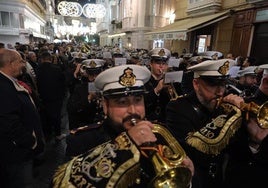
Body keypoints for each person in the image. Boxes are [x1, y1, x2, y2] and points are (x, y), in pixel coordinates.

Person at [52, 65, 194, 187]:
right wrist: (125, 144)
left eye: (138, 100)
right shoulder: (82, 141)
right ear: (105, 106)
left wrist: (186, 178)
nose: (133, 111)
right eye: (122, 102)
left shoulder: (159, 133)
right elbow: (63, 183)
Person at [165, 59, 245, 188]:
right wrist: (227, 117)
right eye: (213, 85)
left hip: (220, 178)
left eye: (223, 85)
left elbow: (236, 149)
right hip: (195, 179)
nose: (220, 92)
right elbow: (193, 151)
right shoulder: (177, 107)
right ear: (196, 84)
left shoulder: (224, 107)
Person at [0, 48, 45, 187]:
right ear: (11, 63)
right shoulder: (3, 87)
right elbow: (9, 122)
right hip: (17, 155)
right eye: (20, 61)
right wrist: (31, 142)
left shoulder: (8, 82)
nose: (23, 64)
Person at [224, 64, 268, 188]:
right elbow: (229, 149)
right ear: (266, 82)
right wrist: (254, 144)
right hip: (247, 178)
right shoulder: (244, 107)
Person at [144, 48, 182, 123]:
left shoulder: (170, 81)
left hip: (167, 121)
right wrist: (156, 90)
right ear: (151, 64)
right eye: (158, 63)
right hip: (150, 121)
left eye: (164, 63)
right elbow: (143, 103)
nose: (161, 66)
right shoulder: (144, 80)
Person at [36, 51, 66, 141]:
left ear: (42, 59)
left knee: (45, 116)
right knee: (56, 115)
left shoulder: (38, 69)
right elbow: (62, 83)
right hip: (56, 96)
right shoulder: (57, 69)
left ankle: (47, 134)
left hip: (43, 97)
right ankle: (57, 134)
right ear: (50, 59)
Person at [67, 59, 104, 130]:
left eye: (97, 74)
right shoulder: (80, 88)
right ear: (87, 73)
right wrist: (88, 98)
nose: (94, 77)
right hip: (86, 125)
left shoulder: (105, 87)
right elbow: (71, 108)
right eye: (91, 74)